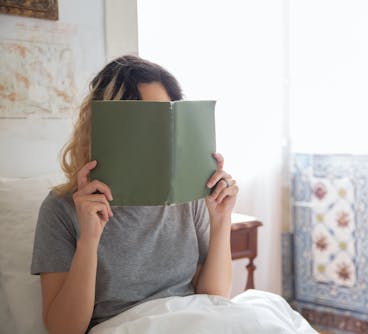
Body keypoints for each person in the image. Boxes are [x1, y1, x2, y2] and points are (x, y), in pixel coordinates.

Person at [31, 55, 238, 334]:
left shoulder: (190, 197)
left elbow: (215, 299)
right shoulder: (61, 209)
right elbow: (63, 329)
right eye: (143, 123)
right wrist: (89, 239)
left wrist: (221, 221)